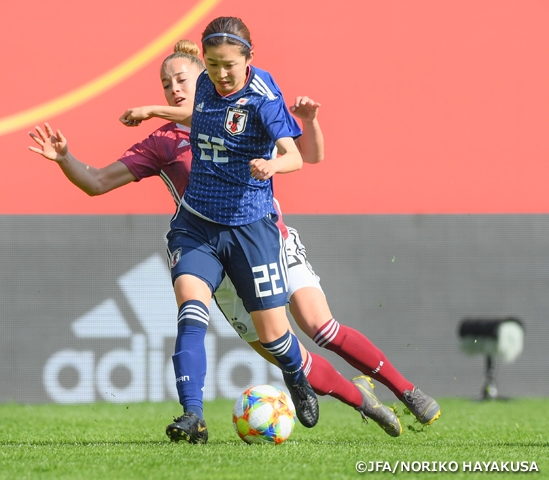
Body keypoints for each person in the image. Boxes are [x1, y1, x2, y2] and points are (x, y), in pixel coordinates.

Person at [29, 36, 437, 443]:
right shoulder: (164, 142)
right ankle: (363, 401)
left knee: (319, 325)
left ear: (206, 77)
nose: (174, 89)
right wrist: (65, 158)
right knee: (284, 350)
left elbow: (305, 156)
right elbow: (97, 181)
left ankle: (407, 391)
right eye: (166, 84)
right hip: (213, 254)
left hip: (265, 239)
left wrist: (309, 122)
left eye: (183, 79)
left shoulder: (242, 106)